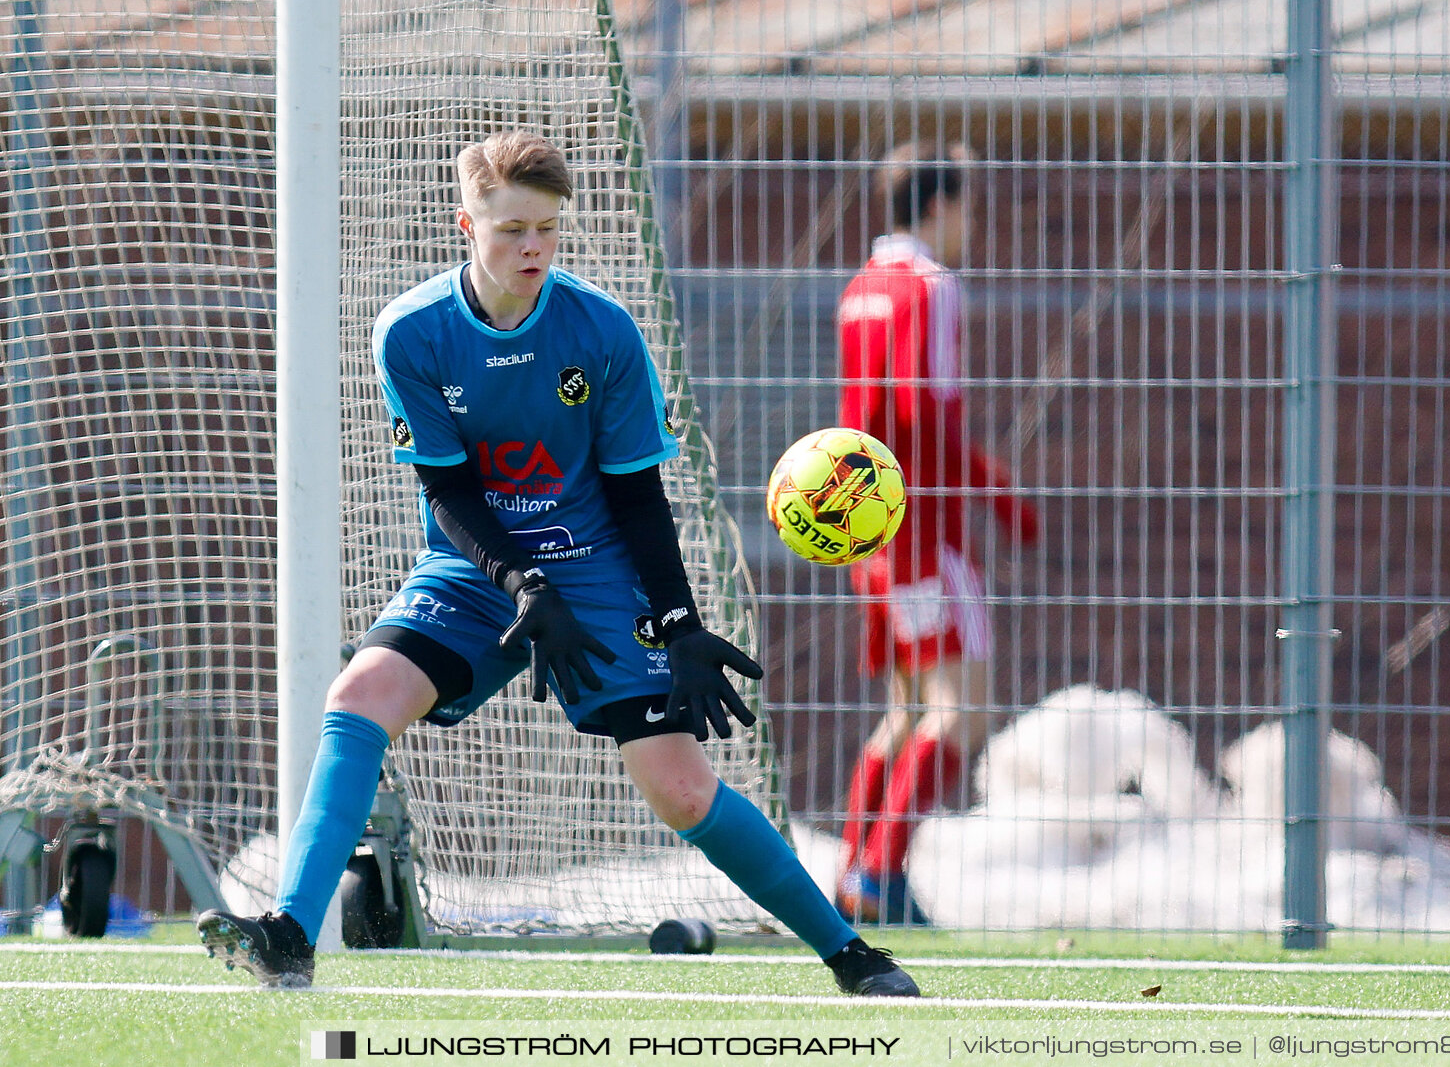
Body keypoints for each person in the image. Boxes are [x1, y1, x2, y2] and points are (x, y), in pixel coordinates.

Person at [196, 130, 918, 996]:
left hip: (598, 567)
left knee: (682, 793)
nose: (531, 247)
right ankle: (288, 936)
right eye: (509, 231)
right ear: (466, 224)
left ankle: (851, 953)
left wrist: (680, 621)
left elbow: (638, 496)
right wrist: (519, 582)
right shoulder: (412, 334)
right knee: (357, 697)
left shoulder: (602, 332)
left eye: (546, 227)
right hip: (481, 569)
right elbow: (450, 493)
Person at [833, 142, 1040, 925]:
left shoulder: (860, 289)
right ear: (942, 206)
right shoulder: (931, 287)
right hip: (926, 528)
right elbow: (927, 408)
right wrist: (998, 495)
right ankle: (881, 874)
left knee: (907, 709)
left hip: (869, 526)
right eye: (968, 207)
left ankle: (858, 871)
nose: (970, 224)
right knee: (964, 711)